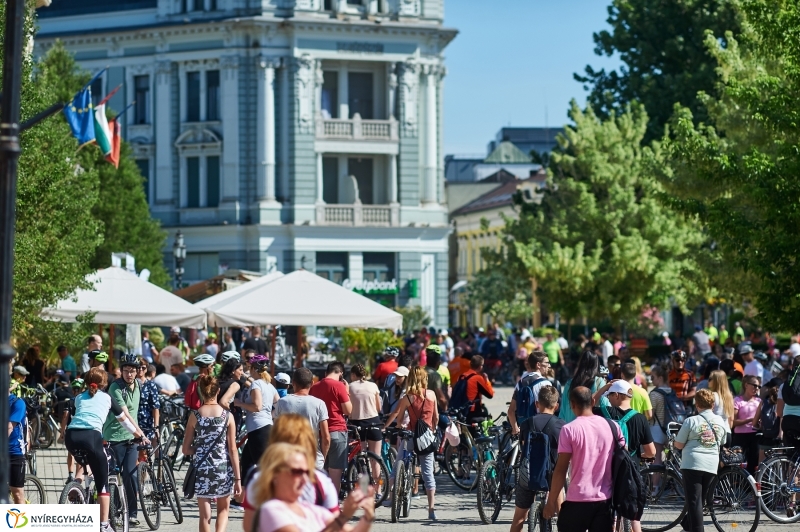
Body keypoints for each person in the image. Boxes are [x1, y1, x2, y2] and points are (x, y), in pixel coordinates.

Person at [67, 368, 147, 532]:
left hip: (71, 437)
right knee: (102, 483)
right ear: (105, 383)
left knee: (84, 466)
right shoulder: (108, 398)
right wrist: (140, 435)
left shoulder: (79, 397)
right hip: (92, 437)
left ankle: (76, 485)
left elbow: (77, 414)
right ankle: (104, 524)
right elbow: (124, 421)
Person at [543, 386, 624, 530]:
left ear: (572, 404)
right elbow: (623, 459)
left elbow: (561, 469)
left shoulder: (569, 429)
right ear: (593, 401)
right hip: (605, 500)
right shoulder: (613, 427)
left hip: (577, 499)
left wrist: (551, 502)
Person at [250, 443, 375, 532]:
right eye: (297, 472)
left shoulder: (310, 510)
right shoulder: (270, 510)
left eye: (307, 472)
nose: (305, 478)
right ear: (276, 475)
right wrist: (344, 516)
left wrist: (367, 517)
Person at [182, 375, 242, 532]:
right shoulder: (227, 416)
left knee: (204, 516)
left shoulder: (195, 416)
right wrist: (238, 478)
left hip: (202, 469)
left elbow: (185, 449)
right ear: (218, 391)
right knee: (223, 510)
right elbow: (233, 449)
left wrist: (200, 449)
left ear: (201, 392)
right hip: (223, 468)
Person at [383, 366, 439, 520]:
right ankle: (431, 510)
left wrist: (399, 426)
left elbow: (399, 420)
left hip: (410, 436)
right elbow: (436, 418)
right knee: (428, 473)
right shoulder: (432, 395)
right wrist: (431, 430)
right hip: (426, 438)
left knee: (397, 466)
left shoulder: (407, 397)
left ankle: (389, 497)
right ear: (424, 378)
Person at [674, 388, 730, 532]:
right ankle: (687, 526)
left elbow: (679, 444)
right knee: (700, 500)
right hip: (711, 465)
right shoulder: (720, 421)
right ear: (712, 405)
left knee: (694, 501)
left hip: (692, 463)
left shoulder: (691, 421)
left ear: (696, 404)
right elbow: (723, 440)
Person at [510, 386, 565, 532]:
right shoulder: (561, 426)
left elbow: (523, 446)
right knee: (562, 517)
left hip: (527, 475)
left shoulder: (526, 423)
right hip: (552, 476)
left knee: (519, 519)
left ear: (536, 404)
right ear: (556, 406)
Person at [103, 353, 147, 526]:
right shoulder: (115, 387)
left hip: (131, 439)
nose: (129, 374)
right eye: (126, 371)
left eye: (132, 371)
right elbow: (125, 414)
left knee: (130, 475)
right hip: (114, 437)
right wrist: (140, 432)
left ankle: (132, 513)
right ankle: (113, 513)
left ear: (137, 372)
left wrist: (137, 434)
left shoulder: (137, 385)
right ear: (121, 371)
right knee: (113, 477)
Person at [274, 368, 330, 470]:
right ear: (312, 383)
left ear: (293, 383)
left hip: (288, 458)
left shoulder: (282, 402)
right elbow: (326, 438)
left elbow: (276, 433)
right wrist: (323, 457)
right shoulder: (319, 404)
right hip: (313, 459)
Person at [234, 355, 279, 479]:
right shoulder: (269, 386)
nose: (249, 370)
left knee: (262, 468)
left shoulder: (257, 385)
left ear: (254, 369)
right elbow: (278, 405)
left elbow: (257, 406)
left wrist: (240, 403)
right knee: (246, 462)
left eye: (250, 368)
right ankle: (240, 498)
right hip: (265, 427)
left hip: (257, 428)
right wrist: (269, 416)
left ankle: (266, 497)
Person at [310, 361, 352, 492]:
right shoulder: (339, 386)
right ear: (341, 373)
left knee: (320, 470)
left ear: (325, 373)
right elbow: (348, 410)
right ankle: (332, 505)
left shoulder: (314, 387)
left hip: (319, 432)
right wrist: (347, 391)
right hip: (337, 430)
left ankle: (319, 501)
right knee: (335, 472)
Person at [348, 363, 383, 483]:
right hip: (374, 421)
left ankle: (363, 489)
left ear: (353, 374)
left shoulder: (350, 387)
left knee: (360, 458)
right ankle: (378, 490)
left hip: (356, 423)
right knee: (376, 458)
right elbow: (378, 408)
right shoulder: (373, 386)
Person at [508, 351, 553, 434]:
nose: (549, 365)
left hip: (524, 428)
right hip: (541, 429)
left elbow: (511, 411)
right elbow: (549, 409)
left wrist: (515, 429)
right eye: (546, 363)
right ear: (538, 365)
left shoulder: (520, 383)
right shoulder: (545, 383)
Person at [559, 350, 606, 423]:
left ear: (580, 363)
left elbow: (563, 410)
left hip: (570, 426)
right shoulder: (599, 382)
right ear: (596, 364)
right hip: (592, 426)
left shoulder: (569, 383)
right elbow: (605, 405)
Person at [732, 374, 762, 476]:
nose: (756, 388)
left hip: (754, 436)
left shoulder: (759, 401)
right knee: (736, 463)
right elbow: (733, 422)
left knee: (753, 463)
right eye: (754, 385)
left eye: (758, 386)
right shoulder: (737, 401)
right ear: (746, 385)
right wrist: (750, 420)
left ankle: (750, 488)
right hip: (740, 436)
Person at [753, 378, 782, 464]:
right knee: (779, 467)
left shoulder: (763, 402)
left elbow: (754, 423)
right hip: (778, 440)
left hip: (765, 439)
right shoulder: (782, 402)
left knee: (761, 467)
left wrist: (760, 426)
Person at [9, 380, 28, 504]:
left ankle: (22, 522)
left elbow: (9, 427)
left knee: (17, 493)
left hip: (14, 452)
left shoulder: (18, 403)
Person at [459, 355, 495, 422]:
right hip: (473, 412)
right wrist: (487, 380)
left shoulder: (463, 376)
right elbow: (490, 394)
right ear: (480, 366)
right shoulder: (478, 378)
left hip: (462, 409)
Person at [648, 365, 672, 464]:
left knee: (657, 459)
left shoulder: (654, 394)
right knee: (667, 456)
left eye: (653, 377)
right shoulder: (672, 391)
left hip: (657, 429)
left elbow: (650, 415)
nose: (651, 380)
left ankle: (655, 480)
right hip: (670, 428)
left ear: (660, 378)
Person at [137, 363, 160, 441]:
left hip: (146, 421)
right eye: (138, 367)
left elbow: (155, 407)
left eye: (143, 368)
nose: (140, 369)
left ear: (146, 369)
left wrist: (156, 426)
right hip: (132, 420)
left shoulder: (150, 384)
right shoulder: (130, 383)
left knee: (143, 450)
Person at [424, 346, 448, 411]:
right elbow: (441, 398)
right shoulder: (436, 375)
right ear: (438, 363)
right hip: (430, 409)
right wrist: (445, 409)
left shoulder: (420, 371)